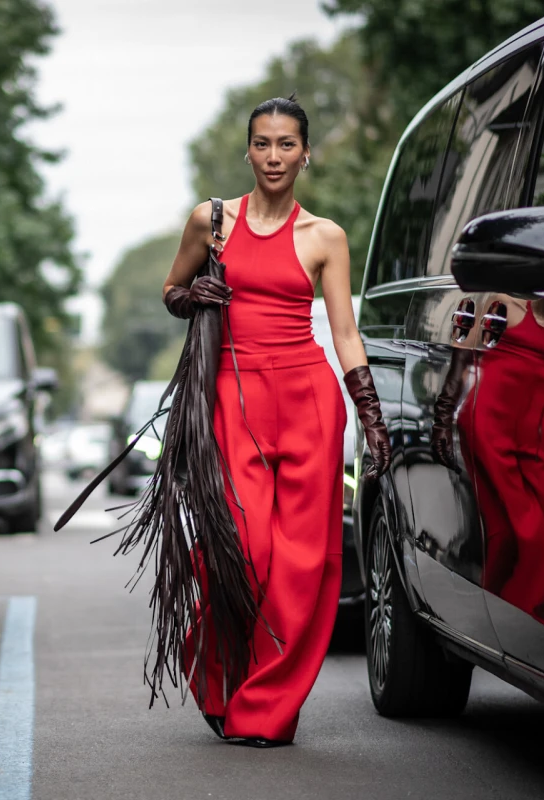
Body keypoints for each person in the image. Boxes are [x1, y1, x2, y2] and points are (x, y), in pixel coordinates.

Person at [161, 96, 391, 747]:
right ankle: (215, 673)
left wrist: (370, 416)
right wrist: (191, 294)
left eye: (286, 144)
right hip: (232, 397)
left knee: (300, 566)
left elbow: (344, 331)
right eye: (262, 143)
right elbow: (171, 291)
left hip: (309, 400)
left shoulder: (326, 237)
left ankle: (265, 709)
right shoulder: (211, 221)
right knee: (239, 553)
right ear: (248, 150)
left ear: (305, 153)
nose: (273, 156)